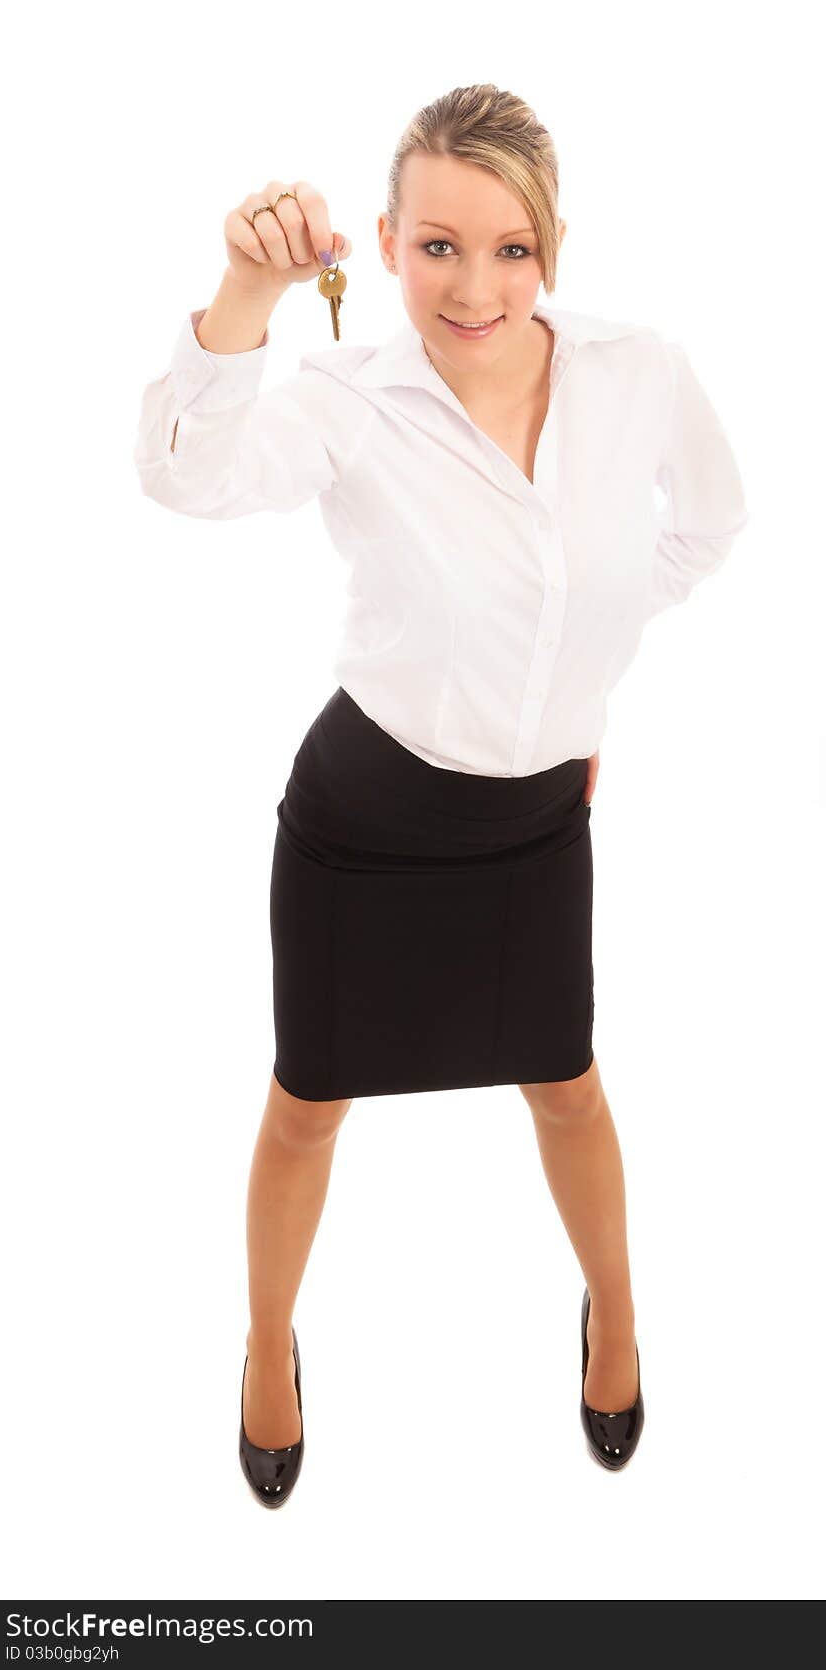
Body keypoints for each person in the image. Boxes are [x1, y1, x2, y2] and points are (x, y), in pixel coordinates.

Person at [133, 83, 748, 1504]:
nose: (475, 287)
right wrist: (243, 289)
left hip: (536, 822)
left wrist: (576, 688)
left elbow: (710, 523)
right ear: (385, 247)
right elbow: (185, 476)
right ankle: (268, 1346)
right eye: (438, 248)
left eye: (511, 249)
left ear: (555, 249)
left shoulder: (640, 370)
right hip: (364, 822)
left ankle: (621, 1317)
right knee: (306, 1101)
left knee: (568, 1080)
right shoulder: (350, 397)